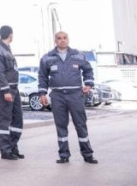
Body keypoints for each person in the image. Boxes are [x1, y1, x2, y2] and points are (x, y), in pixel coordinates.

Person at [38, 31, 98, 164]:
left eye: (65, 38)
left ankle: (88, 154)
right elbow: (42, 76)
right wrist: (42, 93)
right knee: (61, 126)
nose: (62, 40)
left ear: (68, 39)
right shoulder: (47, 58)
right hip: (57, 96)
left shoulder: (78, 55)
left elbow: (88, 70)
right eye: (59, 38)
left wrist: (88, 84)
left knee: (80, 124)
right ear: (55, 40)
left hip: (75, 94)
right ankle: (64, 155)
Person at [0, 25, 23, 160]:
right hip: (6, 91)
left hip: (14, 89)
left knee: (17, 120)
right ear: (11, 34)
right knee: (4, 121)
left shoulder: (7, 49)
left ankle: (13, 147)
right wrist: (5, 90)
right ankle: (6, 151)